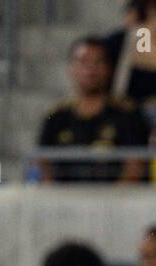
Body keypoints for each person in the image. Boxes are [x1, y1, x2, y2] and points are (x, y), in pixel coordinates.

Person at [38, 36, 147, 183]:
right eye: (83, 62)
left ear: (109, 69)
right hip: (63, 199)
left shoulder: (127, 114)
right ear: (71, 69)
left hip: (115, 200)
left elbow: (135, 166)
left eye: (98, 62)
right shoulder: (56, 116)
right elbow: (43, 164)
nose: (91, 69)